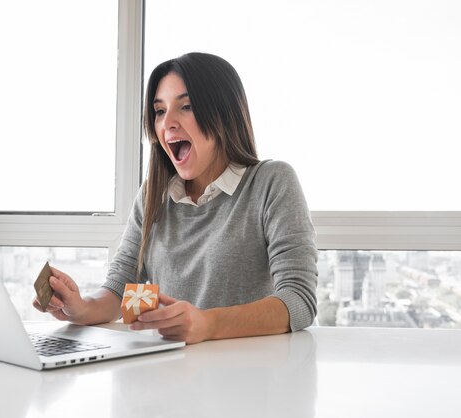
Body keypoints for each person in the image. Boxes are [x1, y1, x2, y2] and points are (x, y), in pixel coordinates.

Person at [33, 52, 318, 344]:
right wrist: (82, 307)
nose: (167, 123)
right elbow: (122, 290)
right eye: (159, 111)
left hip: (245, 378)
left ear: (223, 112)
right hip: (167, 375)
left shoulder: (271, 182)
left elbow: (298, 300)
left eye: (186, 106)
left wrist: (208, 324)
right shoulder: (152, 196)